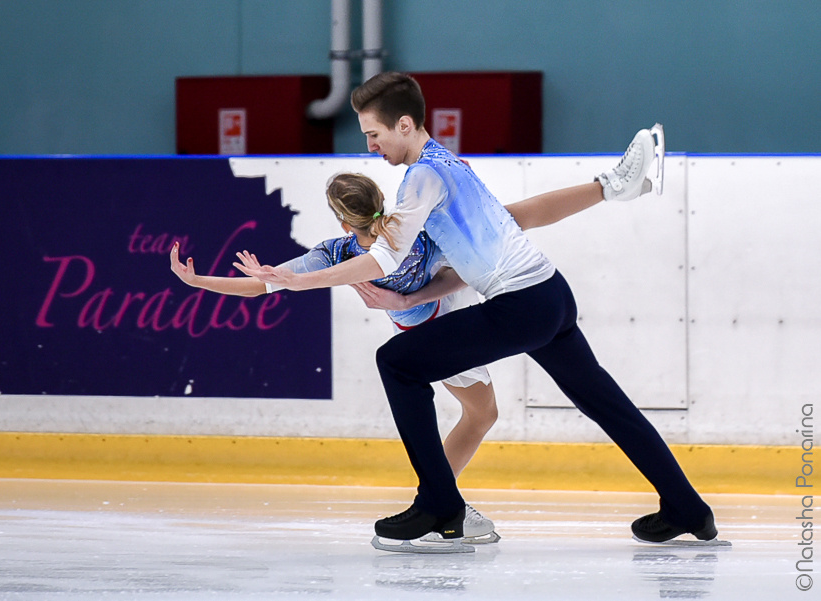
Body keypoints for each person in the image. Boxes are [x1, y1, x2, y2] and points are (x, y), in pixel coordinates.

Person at [234, 71, 718, 549]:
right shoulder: (451, 164)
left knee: (397, 363)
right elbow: (517, 218)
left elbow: (385, 257)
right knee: (606, 405)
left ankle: (440, 506)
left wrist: (299, 281)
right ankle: (688, 509)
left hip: (522, 306)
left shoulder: (422, 177)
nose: (371, 147)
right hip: (550, 294)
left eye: (374, 134)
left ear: (405, 125)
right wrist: (606, 188)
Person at [171, 169, 624, 543]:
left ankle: (439, 501)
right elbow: (471, 264)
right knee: (482, 415)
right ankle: (440, 505)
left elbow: (265, 285)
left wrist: (198, 282)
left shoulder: (336, 252)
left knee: (482, 415)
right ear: (381, 203)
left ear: (344, 223)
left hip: (431, 328)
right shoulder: (418, 233)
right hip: (449, 324)